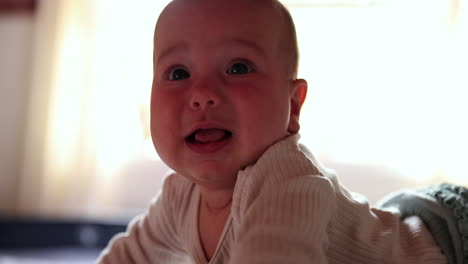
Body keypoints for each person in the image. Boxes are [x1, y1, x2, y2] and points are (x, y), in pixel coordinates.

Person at [97, 0, 467, 263]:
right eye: (178, 73)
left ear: (293, 105)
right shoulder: (179, 195)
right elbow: (128, 256)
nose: (203, 94)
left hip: (447, 242)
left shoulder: (289, 182)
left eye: (238, 67)